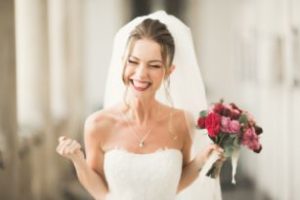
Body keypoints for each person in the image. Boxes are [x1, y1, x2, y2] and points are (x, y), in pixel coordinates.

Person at [56, 11, 224, 200]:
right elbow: (101, 191)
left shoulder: (182, 121)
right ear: (122, 63)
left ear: (169, 71)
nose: (141, 74)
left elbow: (175, 184)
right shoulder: (97, 124)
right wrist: (78, 161)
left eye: (153, 65)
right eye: (133, 62)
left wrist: (203, 159)